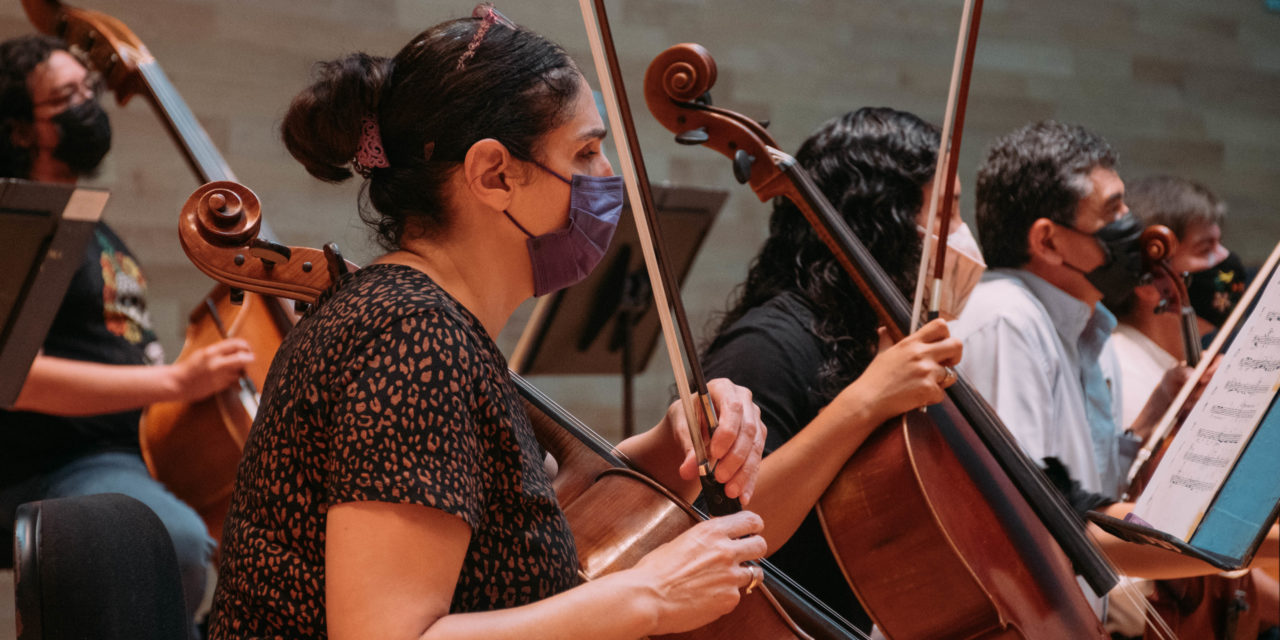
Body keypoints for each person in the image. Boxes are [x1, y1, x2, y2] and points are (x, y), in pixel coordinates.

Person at [208, 8, 770, 639]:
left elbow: (510, 530)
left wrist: (675, 448)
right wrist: (650, 596)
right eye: (586, 150)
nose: (609, 176)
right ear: (493, 175)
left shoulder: (425, 320)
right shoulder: (408, 337)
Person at [950, 120, 1279, 581]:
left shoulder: (1088, 329)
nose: (1137, 227)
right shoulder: (1008, 316)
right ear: (1048, 240)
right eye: (1113, 209)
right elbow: (1043, 521)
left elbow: (1095, 493)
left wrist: (1152, 420)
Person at [0, 34, 254, 627]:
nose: (90, 101)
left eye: (91, 88)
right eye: (67, 95)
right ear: (19, 132)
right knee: (176, 545)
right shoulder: (21, 229)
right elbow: (17, 377)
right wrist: (174, 383)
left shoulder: (99, 230)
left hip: (138, 454)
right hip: (63, 459)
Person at [700, 107, 969, 631]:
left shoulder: (885, 344)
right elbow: (727, 529)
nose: (960, 234)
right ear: (885, 220)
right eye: (946, 214)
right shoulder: (767, 346)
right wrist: (865, 402)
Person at [1105, 175, 1279, 639]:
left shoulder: (1177, 368)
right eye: (1206, 251)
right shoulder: (1120, 366)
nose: (1225, 265)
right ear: (1149, 284)